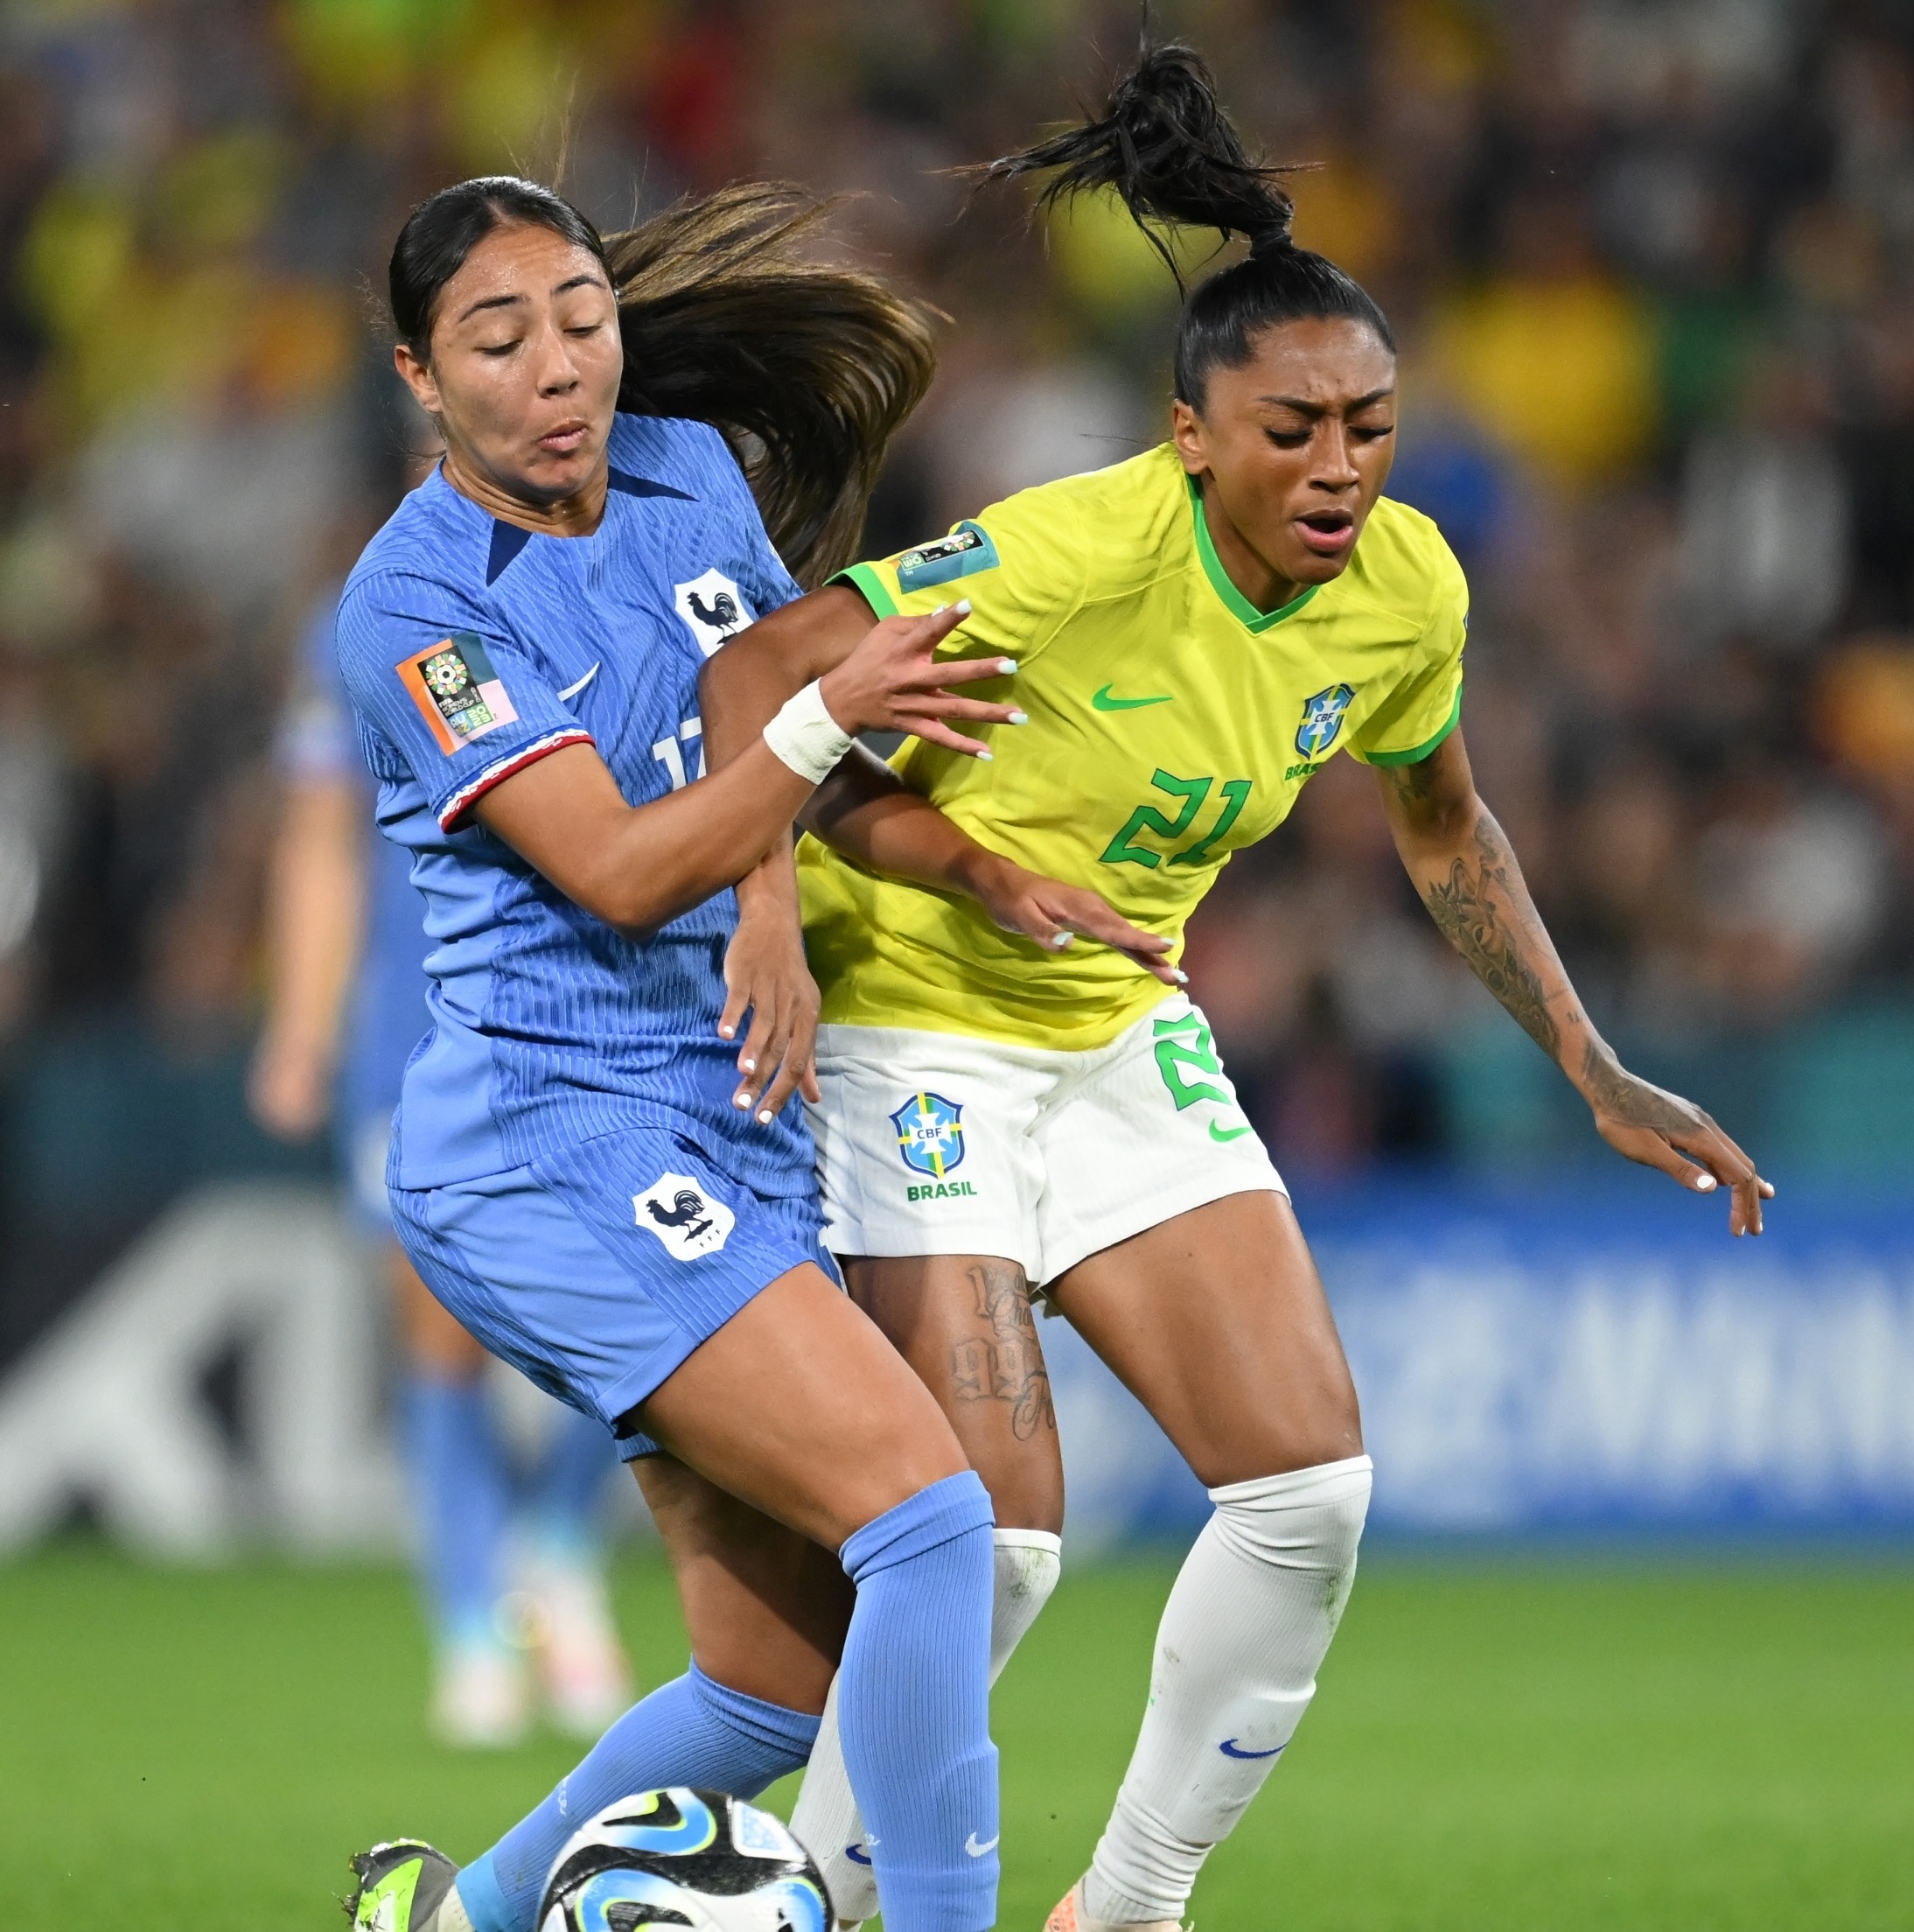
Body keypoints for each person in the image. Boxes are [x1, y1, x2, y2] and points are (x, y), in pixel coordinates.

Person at [696, 43, 1775, 1932]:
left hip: (1116, 1021)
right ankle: (811, 1912)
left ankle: (1126, 1910)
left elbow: (1447, 830)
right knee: (999, 1547)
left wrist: (1593, 1062)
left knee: (1308, 1500)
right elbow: (761, 672)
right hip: (910, 1020)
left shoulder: (1408, 590)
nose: (1339, 465)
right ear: (1192, 433)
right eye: (1292, 429)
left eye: (1367, 422)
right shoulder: (1074, 549)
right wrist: (763, 909)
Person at [336, 175, 1095, 1932]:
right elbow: (612, 867)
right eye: (499, 339)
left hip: (728, 1111)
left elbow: (755, 725)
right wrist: (818, 740)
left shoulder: (685, 475)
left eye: (582, 319)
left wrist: (852, 878)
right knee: (927, 1524)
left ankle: (456, 1920)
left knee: (768, 1689)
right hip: (553, 1137)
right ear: (419, 378)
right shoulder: (417, 607)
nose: (557, 368)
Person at [253, 556, 634, 1749]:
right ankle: (474, 1627)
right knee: (434, 1325)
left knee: (627, 1315)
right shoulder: (357, 618)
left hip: (597, 1019)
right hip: (417, 1028)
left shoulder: (620, 589)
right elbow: (320, 838)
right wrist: (302, 1027)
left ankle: (556, 1545)